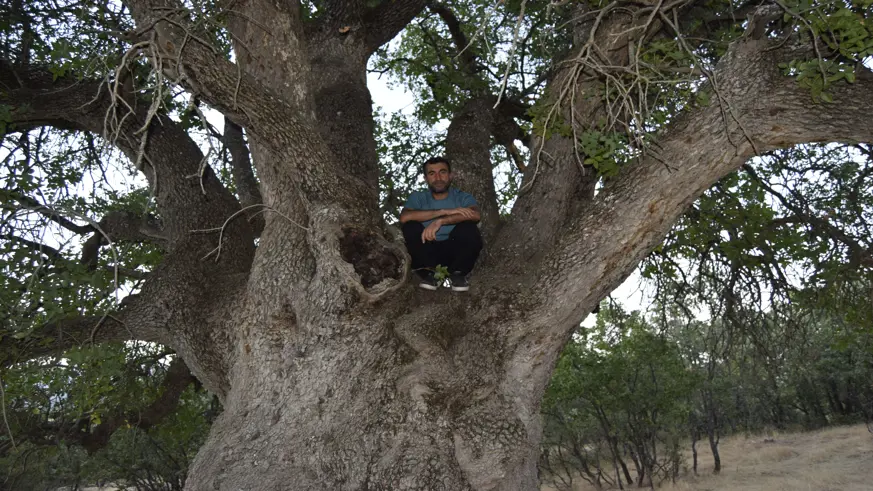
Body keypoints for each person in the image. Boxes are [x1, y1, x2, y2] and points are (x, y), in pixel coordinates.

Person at [399, 156, 483, 291]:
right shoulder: (418, 197)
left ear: (450, 176)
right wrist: (444, 211)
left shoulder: (462, 197)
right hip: (426, 252)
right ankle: (431, 274)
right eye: (432, 173)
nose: (438, 178)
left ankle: (458, 274)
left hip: (455, 252)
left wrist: (441, 221)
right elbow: (404, 217)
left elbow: (475, 215)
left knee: (468, 227)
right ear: (426, 178)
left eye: (442, 172)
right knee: (410, 227)